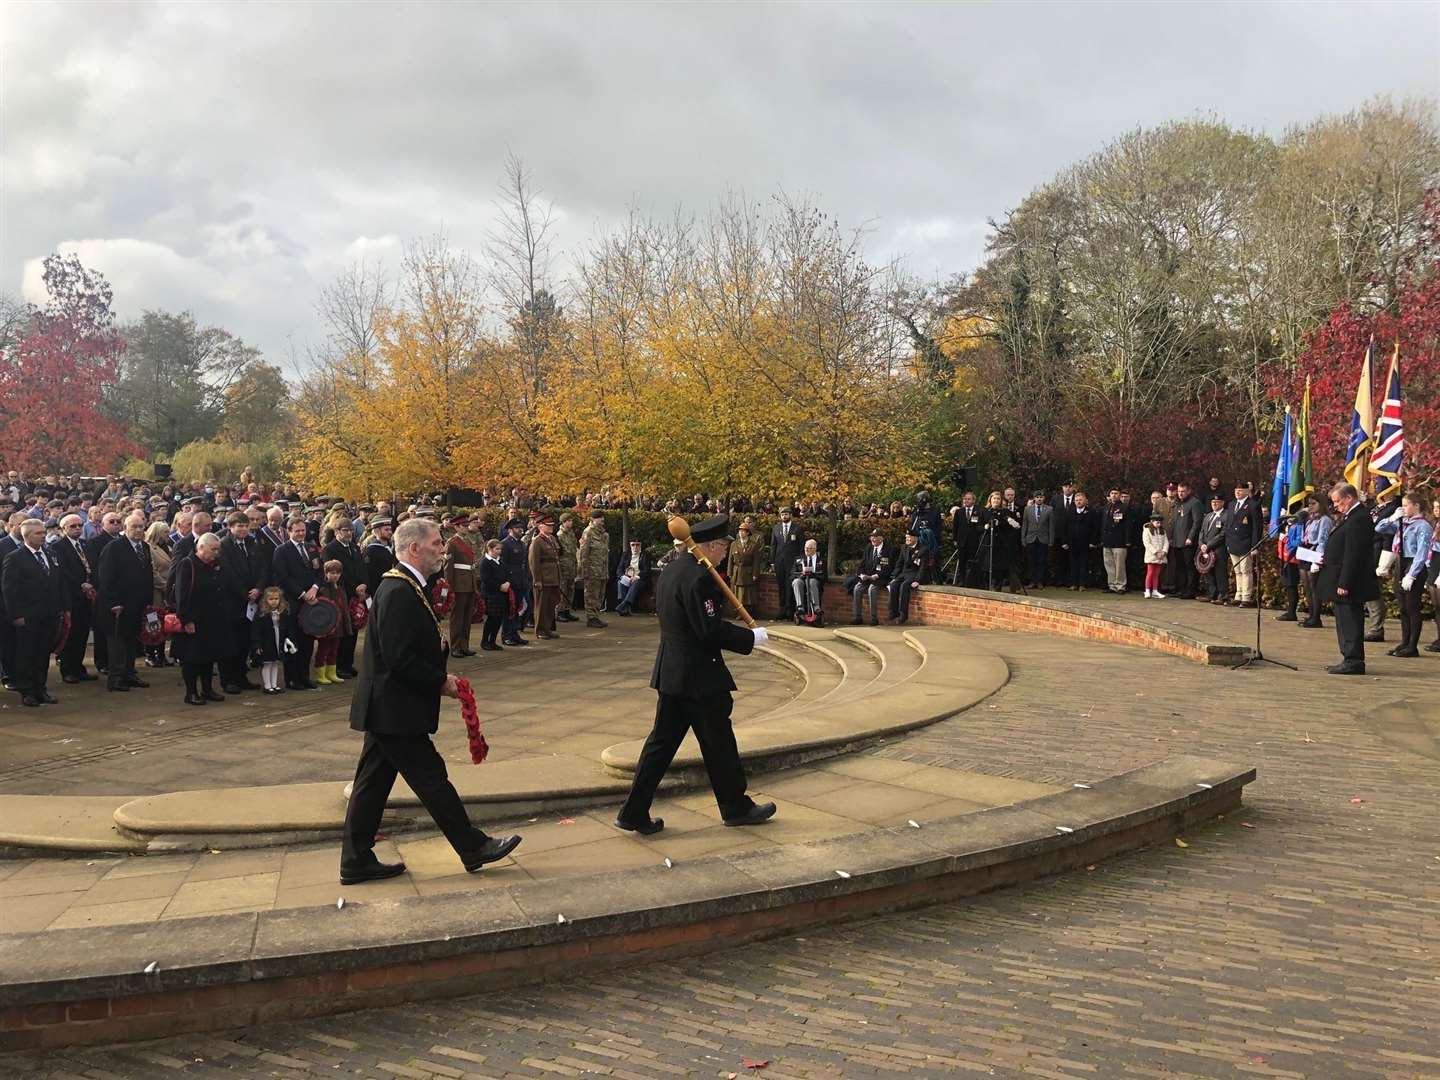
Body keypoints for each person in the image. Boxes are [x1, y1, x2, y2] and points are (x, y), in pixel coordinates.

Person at [340, 517, 522, 884]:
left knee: (371, 787)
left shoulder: (408, 586)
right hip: (395, 709)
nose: (443, 549)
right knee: (432, 780)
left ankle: (355, 860)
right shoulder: (398, 590)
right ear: (413, 548)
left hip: (390, 708)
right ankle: (473, 847)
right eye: (437, 543)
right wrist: (441, 681)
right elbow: (399, 658)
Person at [615, 513, 776, 835]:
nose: (726, 553)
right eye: (724, 547)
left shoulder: (674, 569)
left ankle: (633, 811)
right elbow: (707, 630)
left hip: (672, 672)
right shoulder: (700, 577)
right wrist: (749, 638)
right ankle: (735, 806)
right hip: (699, 678)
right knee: (719, 744)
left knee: (660, 747)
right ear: (713, 546)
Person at [1315, 483, 1377, 675]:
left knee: (1350, 620)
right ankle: (1348, 657)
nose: (1336, 506)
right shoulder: (1352, 516)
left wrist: (1345, 582)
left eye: (1338, 501)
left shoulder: (1359, 518)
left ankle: (1354, 660)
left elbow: (1354, 553)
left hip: (1350, 581)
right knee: (1343, 620)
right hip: (1339, 574)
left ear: (1349, 498)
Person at [2, 519, 61, 706]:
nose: (43, 536)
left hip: (49, 613)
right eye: (38, 533)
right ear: (27, 536)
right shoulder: (15, 558)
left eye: (44, 532)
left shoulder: (50, 554)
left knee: (43, 653)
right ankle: (27, 691)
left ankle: (40, 688)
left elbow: (56, 582)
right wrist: (16, 615)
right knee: (27, 654)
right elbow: (9, 590)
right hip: (28, 615)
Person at [172, 532, 233, 705]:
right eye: (213, 549)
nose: (216, 553)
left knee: (209, 656)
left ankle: (207, 689)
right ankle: (191, 692)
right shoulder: (188, 564)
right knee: (192, 658)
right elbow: (181, 595)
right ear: (200, 547)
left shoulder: (216, 565)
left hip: (213, 619)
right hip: (194, 619)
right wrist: (187, 620)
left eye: (217, 549)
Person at [95, 512, 152, 693]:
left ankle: (129, 673)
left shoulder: (144, 547)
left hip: (137, 604)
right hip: (118, 605)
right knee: (117, 643)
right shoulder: (114, 548)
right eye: (133, 527)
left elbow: (146, 574)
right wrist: (113, 602)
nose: (137, 530)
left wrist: (148, 601)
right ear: (125, 528)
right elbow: (105, 578)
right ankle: (116, 678)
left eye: (140, 527)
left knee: (131, 641)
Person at [1375, 493, 1433, 658]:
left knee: (1412, 607)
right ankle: (1404, 641)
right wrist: (1392, 518)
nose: (1403, 508)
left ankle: (1412, 645)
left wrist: (1412, 575)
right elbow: (1379, 528)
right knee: (1402, 607)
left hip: (1413, 565)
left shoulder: (1422, 526)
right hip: (1400, 563)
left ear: (1416, 506)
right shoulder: (1403, 522)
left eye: (1406, 505)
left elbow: (1421, 554)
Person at [217, 511, 265, 693]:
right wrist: (245, 593)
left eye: (245, 526)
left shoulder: (253, 543)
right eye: (239, 526)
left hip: (252, 601)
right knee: (231, 642)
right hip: (233, 602)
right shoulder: (224, 546)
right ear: (231, 527)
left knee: (246, 641)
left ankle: (241, 676)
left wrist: (258, 589)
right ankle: (228, 679)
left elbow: (263, 568)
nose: (243, 529)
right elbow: (228, 574)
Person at [273, 516, 321, 690]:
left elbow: (319, 571)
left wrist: (314, 589)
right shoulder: (282, 551)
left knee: (308, 641)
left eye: (303, 530)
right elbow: (282, 577)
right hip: (292, 602)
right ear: (289, 531)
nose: (301, 534)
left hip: (311, 601)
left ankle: (304, 676)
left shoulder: (311, 547)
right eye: (297, 531)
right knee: (292, 641)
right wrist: (302, 594)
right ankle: (292, 679)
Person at [50, 513, 98, 683]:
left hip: (87, 597)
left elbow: (93, 566)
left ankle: (78, 667)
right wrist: (80, 585)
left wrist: (91, 584)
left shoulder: (86, 545)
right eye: (72, 526)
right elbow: (62, 573)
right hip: (71, 597)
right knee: (70, 636)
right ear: (63, 529)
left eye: (79, 525)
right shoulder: (58, 547)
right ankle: (68, 669)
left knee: (82, 634)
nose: (77, 528)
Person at [321, 517, 366, 677]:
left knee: (353, 629)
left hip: (356, 594)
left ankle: (348, 663)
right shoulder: (330, 549)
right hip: (341, 593)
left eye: (350, 530)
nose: (348, 533)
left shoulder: (354, 547)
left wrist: (363, 584)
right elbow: (332, 573)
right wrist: (352, 588)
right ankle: (339, 665)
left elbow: (360, 567)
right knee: (342, 631)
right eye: (345, 530)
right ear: (336, 531)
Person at [85, 510, 123, 674]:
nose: (115, 524)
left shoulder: (122, 541)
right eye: (111, 522)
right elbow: (95, 568)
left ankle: (117, 662)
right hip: (103, 590)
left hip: (121, 591)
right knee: (103, 629)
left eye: (117, 521)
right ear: (102, 525)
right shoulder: (94, 542)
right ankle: (102, 662)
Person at [1366, 493, 1403, 643]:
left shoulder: (1393, 508)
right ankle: (1374, 626)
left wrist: (1385, 561)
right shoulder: (1375, 507)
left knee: (1372, 589)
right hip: (1367, 550)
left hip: (1379, 551)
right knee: (1368, 590)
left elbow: (1387, 535)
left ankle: (1376, 628)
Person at [311, 558, 354, 683]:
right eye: (332, 573)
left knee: (334, 650)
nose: (335, 575)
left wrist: (347, 625)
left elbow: (344, 608)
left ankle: (332, 672)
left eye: (337, 573)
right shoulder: (323, 589)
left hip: (339, 625)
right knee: (323, 649)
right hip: (327, 626)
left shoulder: (340, 588)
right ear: (326, 573)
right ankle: (320, 674)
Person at [441, 515, 479, 657]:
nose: (466, 528)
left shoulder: (468, 541)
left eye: (466, 525)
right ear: (456, 527)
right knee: (457, 617)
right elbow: (448, 567)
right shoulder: (452, 543)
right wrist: (449, 587)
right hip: (458, 584)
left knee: (467, 616)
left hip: (469, 582)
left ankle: (464, 645)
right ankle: (456, 646)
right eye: (463, 526)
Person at [1223, 481, 1263, 607]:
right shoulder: (1232, 504)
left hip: (1246, 542)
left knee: (1246, 571)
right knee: (1237, 571)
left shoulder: (1253, 505)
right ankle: (1238, 594)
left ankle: (1246, 597)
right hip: (1233, 542)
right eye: (1236, 490)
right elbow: (1229, 524)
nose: (1237, 493)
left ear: (1246, 491)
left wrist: (1255, 546)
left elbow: (1257, 527)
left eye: (1240, 490)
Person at [527, 508, 563, 639]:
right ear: (541, 526)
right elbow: (533, 562)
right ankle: (540, 630)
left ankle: (547, 628)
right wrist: (537, 580)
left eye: (552, 525)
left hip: (553, 577)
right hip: (543, 577)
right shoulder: (537, 541)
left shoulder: (552, 539)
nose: (551, 527)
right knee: (541, 606)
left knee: (550, 605)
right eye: (548, 526)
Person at [1298, 496, 1332, 628]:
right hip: (1305, 551)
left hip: (1315, 552)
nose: (1310, 506)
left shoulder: (1325, 520)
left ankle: (1316, 617)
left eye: (1313, 503)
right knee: (1307, 587)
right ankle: (1311, 614)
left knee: (1314, 587)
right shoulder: (1311, 519)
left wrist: (1317, 560)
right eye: (1309, 504)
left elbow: (1323, 539)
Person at [250, 586, 291, 694]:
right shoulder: (261, 614)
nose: (274, 602)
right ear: (266, 600)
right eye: (271, 599)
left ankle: (274, 684)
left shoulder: (282, 612)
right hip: (266, 642)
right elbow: (256, 631)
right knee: (267, 664)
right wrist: (257, 645)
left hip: (278, 640)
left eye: (276, 599)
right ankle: (267, 685)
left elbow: (285, 628)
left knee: (275, 663)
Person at [979, 491, 1022, 592]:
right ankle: (985, 587)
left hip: (1000, 543)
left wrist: (1001, 523)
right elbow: (977, 526)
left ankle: (997, 587)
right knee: (986, 565)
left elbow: (1010, 526)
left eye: (998, 499)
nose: (996, 500)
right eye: (994, 498)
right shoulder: (984, 511)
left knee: (999, 566)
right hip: (987, 542)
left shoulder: (1005, 512)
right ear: (990, 499)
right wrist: (984, 527)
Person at [1166, 483, 1203, 599]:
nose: (1180, 493)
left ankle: (1190, 590)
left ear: (1189, 491)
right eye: (1179, 491)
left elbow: (1197, 522)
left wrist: (1190, 537)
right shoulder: (1178, 503)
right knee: (1179, 566)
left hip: (1188, 541)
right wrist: (1172, 538)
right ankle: (1181, 589)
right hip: (1177, 540)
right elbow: (1175, 523)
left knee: (1189, 566)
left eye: (1183, 491)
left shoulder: (1195, 503)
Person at [850, 527, 893, 625]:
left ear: (881, 538)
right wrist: (861, 574)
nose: (873, 539)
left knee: (872, 589)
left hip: (881, 577)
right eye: (872, 537)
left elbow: (889, 568)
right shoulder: (869, 547)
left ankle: (874, 618)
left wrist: (877, 575)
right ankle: (857, 617)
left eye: (876, 537)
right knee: (857, 588)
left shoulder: (889, 549)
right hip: (868, 576)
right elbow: (862, 564)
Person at [498, 517, 531, 642]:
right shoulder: (505, 544)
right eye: (517, 528)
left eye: (521, 528)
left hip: (521, 580)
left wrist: (527, 578)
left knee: (517, 609)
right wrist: (505, 581)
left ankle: (514, 634)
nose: (520, 530)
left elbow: (525, 563)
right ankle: (507, 635)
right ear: (510, 529)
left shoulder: (521, 544)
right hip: (511, 581)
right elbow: (503, 564)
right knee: (509, 610)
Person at [725, 516, 765, 618]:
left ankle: (748, 613)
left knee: (748, 594)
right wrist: (729, 572)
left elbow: (756, 561)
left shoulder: (754, 545)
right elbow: (730, 559)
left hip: (748, 572)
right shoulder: (734, 544)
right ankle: (739, 613)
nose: (741, 533)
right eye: (740, 531)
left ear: (747, 533)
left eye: (743, 531)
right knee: (737, 593)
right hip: (737, 571)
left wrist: (755, 574)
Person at [770, 508, 806, 620]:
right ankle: (781, 609)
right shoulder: (776, 528)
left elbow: (801, 546)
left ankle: (790, 610)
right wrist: (772, 562)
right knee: (781, 585)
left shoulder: (797, 528)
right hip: (779, 562)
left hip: (793, 563)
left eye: (786, 514)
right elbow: (773, 546)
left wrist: (800, 562)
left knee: (790, 585)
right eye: (782, 515)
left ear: (790, 515)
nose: (784, 516)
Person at [1060, 491, 1099, 590]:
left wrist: (1093, 542)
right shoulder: (1070, 512)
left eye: (1080, 500)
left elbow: (1095, 528)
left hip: (1085, 543)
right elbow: (1064, 527)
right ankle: (1073, 583)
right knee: (1073, 564)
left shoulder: (1091, 512)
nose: (1078, 502)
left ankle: (1082, 584)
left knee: (1084, 564)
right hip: (1072, 543)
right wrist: (1064, 542)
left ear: (1085, 501)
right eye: (1076, 500)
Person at [577, 510, 609, 628]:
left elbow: (605, 554)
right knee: (591, 594)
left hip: (602, 570)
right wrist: (584, 571)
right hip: (591, 570)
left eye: (602, 518)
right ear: (592, 519)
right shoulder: (588, 533)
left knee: (600, 594)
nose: (602, 520)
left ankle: (596, 615)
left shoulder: (604, 534)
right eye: (599, 518)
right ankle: (591, 618)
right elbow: (583, 553)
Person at [1275, 510, 1308, 622]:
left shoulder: (1299, 525)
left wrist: (1286, 539)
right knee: (1287, 585)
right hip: (1284, 557)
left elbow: (1299, 541)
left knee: (1291, 585)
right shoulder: (1289, 525)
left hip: (1292, 558)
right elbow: (1277, 524)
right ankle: (1290, 611)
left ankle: (1292, 612)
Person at [478, 538, 509, 651]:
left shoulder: (500, 561)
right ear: (489, 549)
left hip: (502, 594)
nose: (499, 551)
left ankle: (493, 641)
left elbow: (507, 573)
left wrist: (507, 583)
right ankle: (485, 641)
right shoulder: (485, 562)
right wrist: (499, 586)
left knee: (498, 619)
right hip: (491, 594)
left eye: (500, 549)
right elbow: (485, 579)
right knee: (491, 618)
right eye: (497, 549)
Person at [888, 529, 925, 624]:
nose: (907, 539)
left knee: (904, 586)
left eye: (908, 537)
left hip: (914, 573)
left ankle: (903, 614)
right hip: (904, 573)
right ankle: (893, 612)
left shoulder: (923, 549)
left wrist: (917, 580)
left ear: (915, 538)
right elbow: (899, 563)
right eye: (906, 537)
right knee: (894, 585)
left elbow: (922, 567)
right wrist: (894, 576)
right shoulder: (904, 547)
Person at [1198, 494, 1229, 603]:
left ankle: (1222, 595)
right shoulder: (1208, 516)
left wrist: (1209, 545)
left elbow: (1223, 534)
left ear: (1222, 503)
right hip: (1205, 549)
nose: (1214, 504)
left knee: (1220, 572)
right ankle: (1211, 594)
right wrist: (1201, 544)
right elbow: (1202, 531)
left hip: (1218, 549)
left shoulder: (1226, 515)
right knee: (1208, 572)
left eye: (1217, 502)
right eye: (1212, 502)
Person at [1021, 491, 1055, 588]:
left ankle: (1039, 581)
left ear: (1043, 498)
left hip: (1043, 539)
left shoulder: (1049, 509)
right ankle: (1032, 580)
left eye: (1041, 497)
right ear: (1034, 498)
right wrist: (1023, 539)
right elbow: (1025, 525)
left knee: (1041, 561)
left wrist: (1051, 540)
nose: (1039, 499)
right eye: (1037, 497)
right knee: (1031, 561)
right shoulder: (1027, 509)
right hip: (1030, 539)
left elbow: (1051, 526)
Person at [1100, 489, 1130, 594]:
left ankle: (1120, 586)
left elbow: (1127, 525)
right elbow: (1103, 524)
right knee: (1109, 564)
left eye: (1116, 493)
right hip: (1107, 540)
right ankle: (1112, 585)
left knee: (1119, 565)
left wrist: (1127, 540)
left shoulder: (1124, 507)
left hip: (1119, 541)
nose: (1113, 495)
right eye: (1112, 493)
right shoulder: (1106, 507)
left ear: (1119, 495)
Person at [790, 538, 826, 621]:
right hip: (802, 580)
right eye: (805, 548)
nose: (807, 550)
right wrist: (801, 574)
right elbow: (792, 574)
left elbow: (824, 577)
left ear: (814, 549)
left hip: (814, 582)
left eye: (809, 548)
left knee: (812, 581)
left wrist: (812, 574)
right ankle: (800, 608)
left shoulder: (821, 561)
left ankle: (816, 608)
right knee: (796, 581)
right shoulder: (798, 559)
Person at [952, 493, 982, 586]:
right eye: (965, 499)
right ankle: (962, 580)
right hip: (962, 541)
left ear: (973, 500)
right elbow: (955, 527)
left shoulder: (978, 511)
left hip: (973, 541)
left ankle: (971, 581)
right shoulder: (959, 512)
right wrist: (955, 539)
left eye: (969, 499)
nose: (966, 501)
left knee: (972, 562)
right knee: (962, 562)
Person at [554, 512, 580, 624]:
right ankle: (559, 611)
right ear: (563, 522)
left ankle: (567, 610)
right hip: (563, 566)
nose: (571, 523)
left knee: (570, 589)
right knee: (563, 589)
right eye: (568, 521)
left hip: (571, 564)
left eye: (571, 521)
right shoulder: (560, 535)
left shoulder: (571, 534)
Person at [615, 538, 652, 616]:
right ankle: (625, 609)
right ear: (630, 545)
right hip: (627, 577)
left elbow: (647, 570)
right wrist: (623, 576)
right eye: (633, 545)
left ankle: (623, 605)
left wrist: (637, 577)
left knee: (636, 583)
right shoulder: (626, 554)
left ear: (640, 545)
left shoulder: (645, 555)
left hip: (640, 579)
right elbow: (619, 569)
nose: (635, 547)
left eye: (637, 545)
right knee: (620, 582)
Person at [363, 517, 396, 598]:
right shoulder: (371, 551)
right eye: (386, 530)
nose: (390, 532)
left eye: (390, 529)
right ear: (376, 531)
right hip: (379, 590)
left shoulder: (392, 547)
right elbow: (370, 575)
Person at [1142, 513, 1170, 598]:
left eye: (1160, 522)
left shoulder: (1163, 531)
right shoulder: (1147, 531)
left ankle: (1155, 591)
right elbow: (1147, 543)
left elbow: (1166, 542)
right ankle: (1147, 590)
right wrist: (1156, 552)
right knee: (1150, 572)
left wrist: (1164, 552)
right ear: (1152, 522)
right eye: (1157, 522)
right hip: (1152, 555)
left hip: (1161, 556)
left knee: (1157, 574)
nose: (1159, 524)